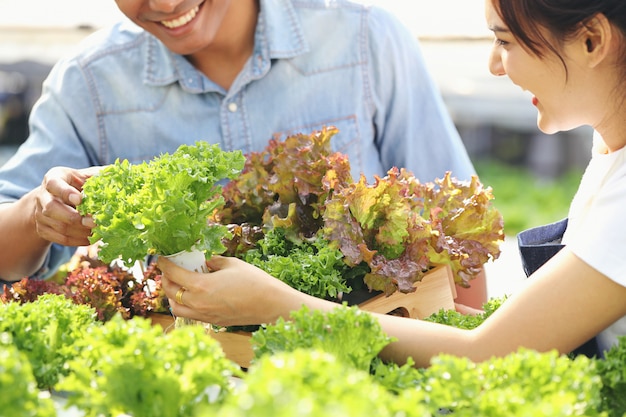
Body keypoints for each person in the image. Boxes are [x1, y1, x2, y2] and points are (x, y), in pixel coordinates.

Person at [157, 0, 626, 367]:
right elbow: (519, 333)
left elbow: (488, 355)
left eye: (506, 41)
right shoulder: (609, 148)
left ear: (591, 40)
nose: (494, 66)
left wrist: (278, 305)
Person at [0, 0, 484, 304]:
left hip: (368, 350)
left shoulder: (365, 39)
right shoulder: (89, 82)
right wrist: (36, 212)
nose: (165, 3)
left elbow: (458, 232)